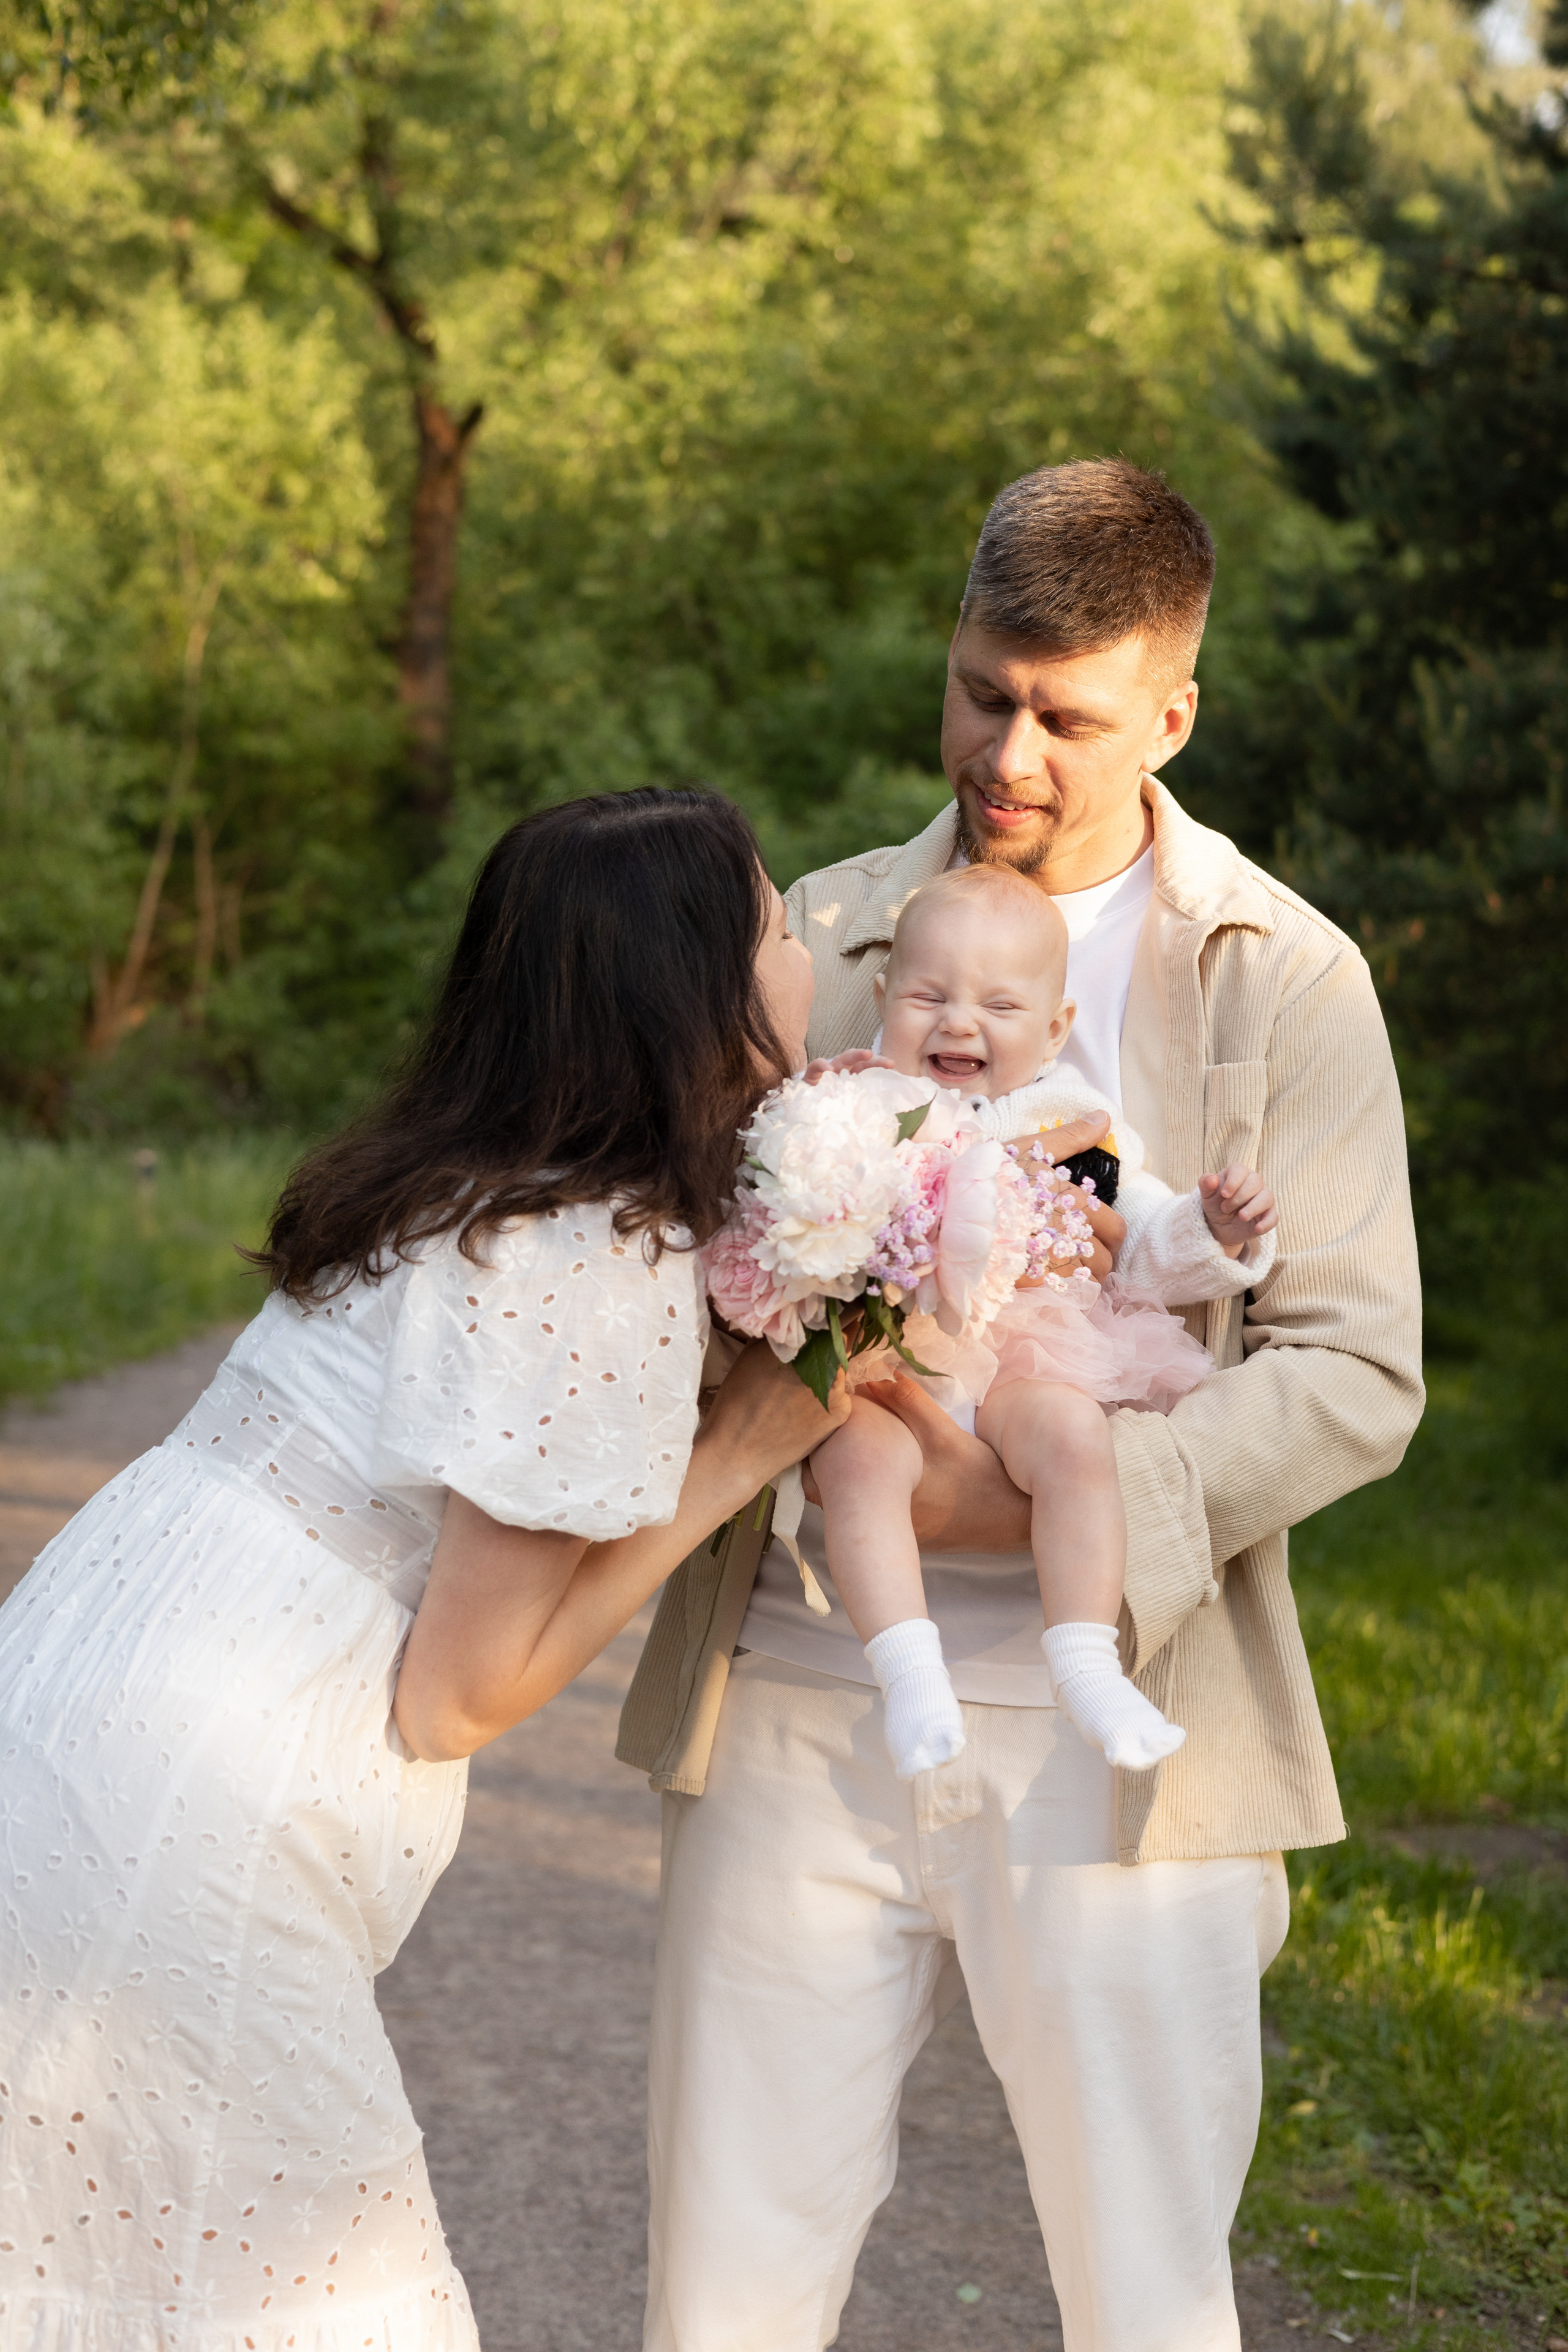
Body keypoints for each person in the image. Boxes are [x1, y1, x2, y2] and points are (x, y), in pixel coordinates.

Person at [617, 461, 1425, 2351]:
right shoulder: (815, 926)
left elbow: (1356, 1367)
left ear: (1173, 714)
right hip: (804, 1701)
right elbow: (692, 1268)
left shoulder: (1287, 979)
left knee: (1143, 2297)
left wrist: (1076, 1505)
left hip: (1124, 1745)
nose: (1013, 752)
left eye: (1068, 716)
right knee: (722, 2289)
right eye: (986, 691)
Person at [0, 787, 846, 2352]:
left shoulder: (458, 1179)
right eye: (780, 923)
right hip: (206, 1775)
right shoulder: (599, 1247)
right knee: (305, 2283)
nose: (805, 951)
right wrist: (739, 1455)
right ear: (697, 989)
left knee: (102, 2234)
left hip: (84, 1670)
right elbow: (458, 1697)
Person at [807, 860, 1278, 1781]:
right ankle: (909, 1672)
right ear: (881, 994)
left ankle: (1085, 1661)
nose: (958, 1022)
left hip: (1028, 1356)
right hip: (894, 1370)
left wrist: (1210, 1229)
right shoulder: (858, 1103)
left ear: (1057, 1027)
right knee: (855, 1459)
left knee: (1072, 1439)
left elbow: (1138, 1247)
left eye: (1000, 1006)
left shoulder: (1077, 1125)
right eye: (929, 995)